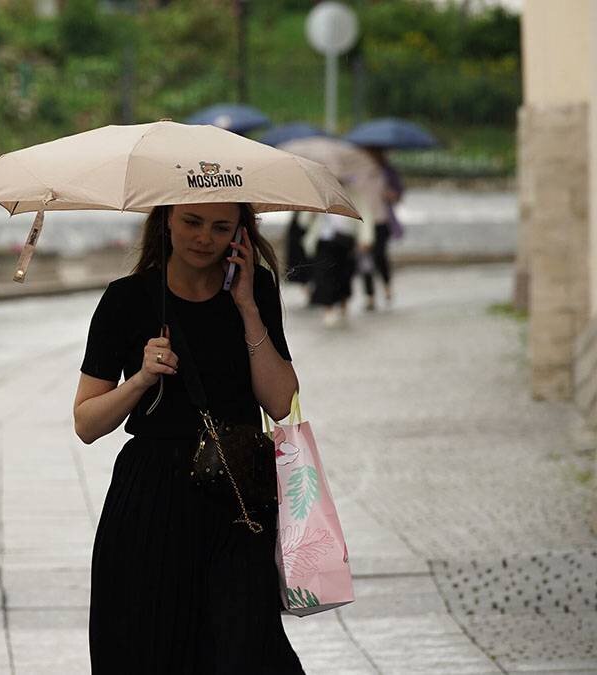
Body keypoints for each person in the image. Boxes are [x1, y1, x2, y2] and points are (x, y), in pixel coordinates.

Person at [74, 201, 304, 673]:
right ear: (166, 222)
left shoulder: (256, 290)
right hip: (152, 503)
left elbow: (280, 401)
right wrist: (139, 379)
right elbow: (87, 423)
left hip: (237, 502)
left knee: (243, 649)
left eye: (221, 227)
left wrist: (247, 310)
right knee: (152, 646)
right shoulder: (127, 299)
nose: (205, 238)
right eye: (192, 222)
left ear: (241, 233)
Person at [304, 201, 374, 327]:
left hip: (346, 241)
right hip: (324, 241)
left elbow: (365, 216)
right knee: (323, 276)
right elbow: (304, 222)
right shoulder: (319, 197)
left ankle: (343, 306)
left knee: (344, 276)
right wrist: (311, 214)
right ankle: (328, 309)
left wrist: (365, 238)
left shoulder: (353, 195)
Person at [360, 146, 404, 310]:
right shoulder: (358, 172)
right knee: (365, 259)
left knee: (380, 256)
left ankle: (386, 286)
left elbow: (398, 194)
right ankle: (370, 296)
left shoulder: (387, 172)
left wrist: (391, 195)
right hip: (363, 222)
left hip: (381, 220)